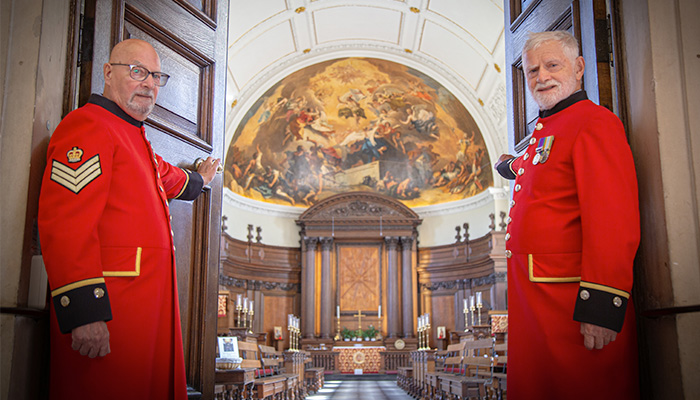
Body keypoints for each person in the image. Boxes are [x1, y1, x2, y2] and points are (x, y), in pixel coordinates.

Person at [38, 39, 221, 400]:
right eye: (137, 71)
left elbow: (164, 177)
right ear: (108, 72)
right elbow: (65, 224)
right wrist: (84, 311)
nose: (149, 84)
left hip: (142, 314)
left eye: (156, 76)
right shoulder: (88, 126)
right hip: (109, 313)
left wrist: (201, 179)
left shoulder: (133, 137)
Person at [494, 31, 640, 399]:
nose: (541, 77)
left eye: (552, 65)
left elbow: (612, 219)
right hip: (539, 302)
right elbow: (545, 167)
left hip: (571, 303)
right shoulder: (548, 128)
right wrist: (512, 165)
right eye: (532, 71)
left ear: (578, 68)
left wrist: (602, 304)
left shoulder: (594, 122)